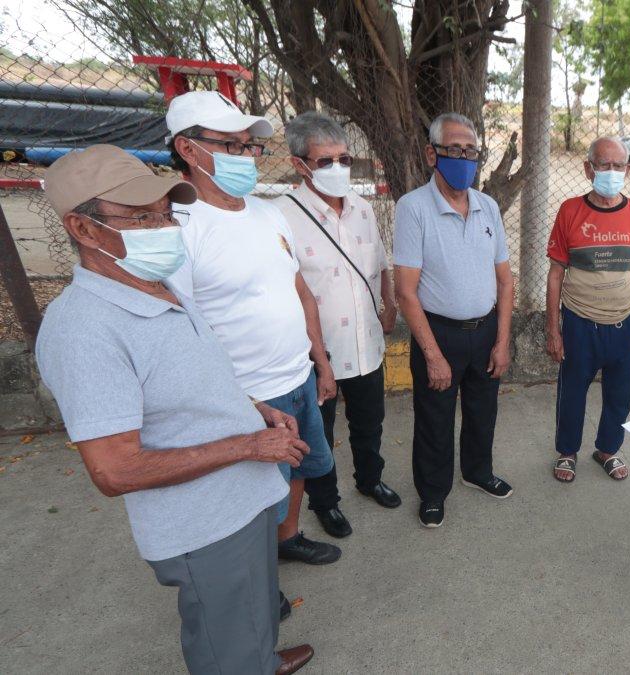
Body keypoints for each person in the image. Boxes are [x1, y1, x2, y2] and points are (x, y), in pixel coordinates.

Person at [36, 145, 314, 674]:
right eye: (142, 217)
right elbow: (115, 470)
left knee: (250, 608)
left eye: (166, 214)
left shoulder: (156, 286)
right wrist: (250, 445)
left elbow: (193, 382)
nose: (163, 227)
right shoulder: (84, 330)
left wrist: (256, 410)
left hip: (242, 498)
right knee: (221, 637)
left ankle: (260, 658)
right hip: (202, 526)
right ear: (84, 228)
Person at [164, 91, 341, 566]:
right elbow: (179, 332)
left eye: (250, 146)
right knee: (251, 495)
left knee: (299, 465)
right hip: (244, 397)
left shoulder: (266, 211)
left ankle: (288, 538)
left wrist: (319, 363)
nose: (246, 157)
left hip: (297, 378)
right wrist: (244, 403)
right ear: (187, 149)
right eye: (232, 146)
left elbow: (299, 289)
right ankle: (257, 575)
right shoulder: (178, 227)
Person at [274, 111, 401, 540]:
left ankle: (369, 479)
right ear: (300, 164)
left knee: (370, 422)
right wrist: (316, 357)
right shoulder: (281, 217)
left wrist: (389, 304)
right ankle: (325, 503)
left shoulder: (363, 208)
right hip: (317, 352)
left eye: (344, 159)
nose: (338, 169)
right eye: (324, 161)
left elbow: (380, 261)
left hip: (366, 341)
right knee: (319, 434)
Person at [393, 112, 515, 528]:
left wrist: (502, 340)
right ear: (433, 154)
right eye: (455, 150)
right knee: (435, 418)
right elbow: (406, 291)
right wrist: (432, 355)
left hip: (484, 330)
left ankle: (477, 472)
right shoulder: (413, 209)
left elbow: (504, 280)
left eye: (472, 152)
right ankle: (432, 493)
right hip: (438, 332)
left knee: (484, 410)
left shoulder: (488, 207)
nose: (465, 159)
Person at [545, 136, 630, 483]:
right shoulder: (570, 211)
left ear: (628, 169)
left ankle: (608, 448)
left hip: (626, 322)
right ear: (587, 168)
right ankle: (567, 451)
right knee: (572, 392)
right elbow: (555, 275)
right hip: (580, 323)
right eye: (603, 165)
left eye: (618, 166)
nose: (611, 172)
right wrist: (553, 329)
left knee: (620, 395)